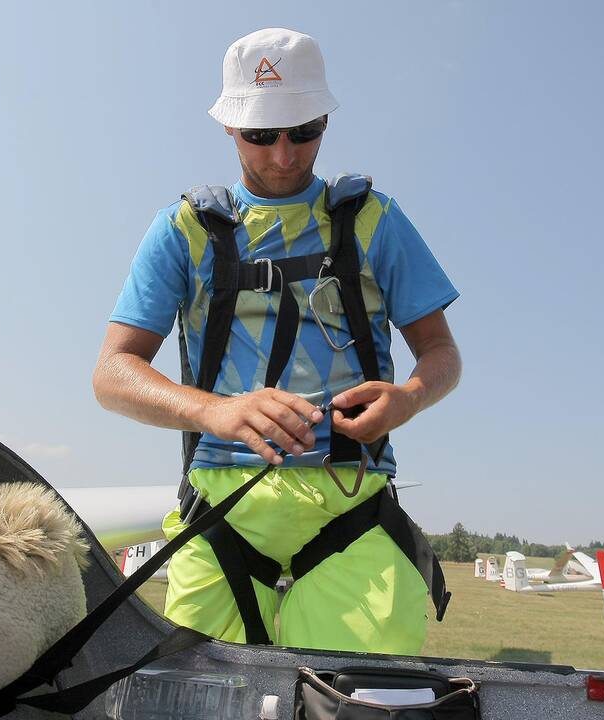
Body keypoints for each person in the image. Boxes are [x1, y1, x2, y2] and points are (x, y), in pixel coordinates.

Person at [92, 27, 461, 655]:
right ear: (231, 129)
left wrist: (408, 399)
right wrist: (218, 410)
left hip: (353, 502)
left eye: (305, 130)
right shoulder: (186, 230)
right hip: (221, 510)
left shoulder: (375, 220)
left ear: (324, 121)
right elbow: (112, 373)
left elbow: (441, 354)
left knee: (359, 699)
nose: (285, 155)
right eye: (262, 135)